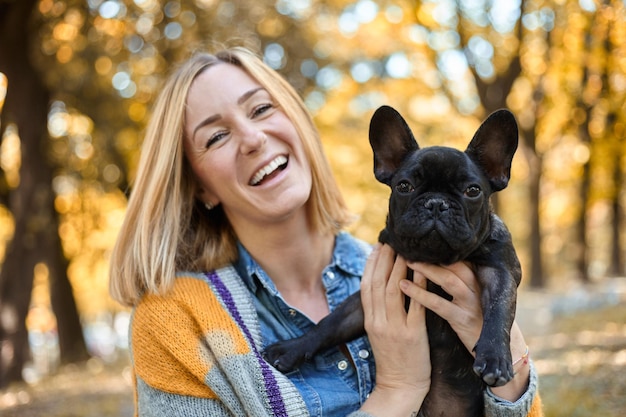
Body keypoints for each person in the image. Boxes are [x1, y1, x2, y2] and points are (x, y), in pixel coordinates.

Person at [109, 46, 542, 417]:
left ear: (297, 122)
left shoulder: (382, 266)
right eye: (217, 136)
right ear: (198, 185)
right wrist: (396, 392)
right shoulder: (175, 323)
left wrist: (511, 370)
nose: (252, 138)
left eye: (261, 109)